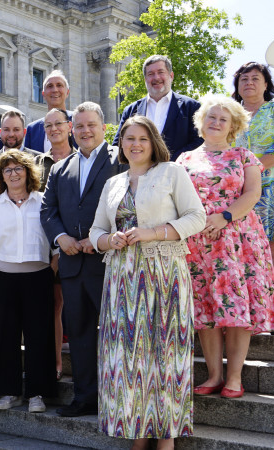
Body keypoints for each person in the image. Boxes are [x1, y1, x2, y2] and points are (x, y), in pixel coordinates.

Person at [91, 115, 205, 448]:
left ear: (153, 141)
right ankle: (137, 433)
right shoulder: (114, 183)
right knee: (129, 359)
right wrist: (109, 240)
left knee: (165, 354)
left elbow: (196, 216)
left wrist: (152, 233)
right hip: (121, 281)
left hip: (164, 276)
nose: (135, 144)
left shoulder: (172, 172)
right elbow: (96, 230)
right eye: (129, 139)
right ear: (121, 145)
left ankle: (166, 437)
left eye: (142, 138)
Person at [177, 94, 274, 400]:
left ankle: (235, 377)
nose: (215, 123)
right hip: (198, 242)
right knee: (206, 309)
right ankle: (214, 375)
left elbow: (253, 193)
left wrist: (224, 216)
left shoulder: (244, 156)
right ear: (201, 122)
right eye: (210, 117)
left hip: (237, 241)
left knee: (237, 306)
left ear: (233, 126)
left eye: (222, 119)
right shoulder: (183, 160)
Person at [40, 102, 124, 417]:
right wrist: (60, 239)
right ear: (72, 130)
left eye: (92, 125)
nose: (85, 131)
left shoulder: (121, 160)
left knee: (116, 332)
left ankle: (117, 396)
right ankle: (86, 397)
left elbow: (129, 204)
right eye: (80, 126)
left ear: (104, 128)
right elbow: (48, 210)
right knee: (79, 333)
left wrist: (98, 238)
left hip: (109, 262)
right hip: (73, 265)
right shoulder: (61, 168)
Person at [0, 149, 56, 413]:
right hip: (3, 279)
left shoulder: (43, 202)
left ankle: (37, 393)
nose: (13, 173)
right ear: (1, 176)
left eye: (19, 168)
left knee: (39, 337)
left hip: (38, 278)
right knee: (4, 336)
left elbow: (56, 242)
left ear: (29, 173)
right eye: (8, 170)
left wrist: (50, 272)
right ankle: (8, 391)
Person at [232, 62, 274, 303]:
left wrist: (250, 169)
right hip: (238, 192)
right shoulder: (230, 114)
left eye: (255, 78)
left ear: (266, 84)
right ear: (237, 86)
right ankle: (253, 307)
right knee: (244, 249)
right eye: (244, 79)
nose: (249, 82)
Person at [35, 107, 75, 380]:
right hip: (45, 241)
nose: (53, 130)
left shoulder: (82, 158)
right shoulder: (39, 162)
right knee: (52, 304)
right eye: (48, 126)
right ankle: (55, 363)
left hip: (77, 241)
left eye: (58, 124)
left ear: (69, 126)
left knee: (70, 304)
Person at [113, 55, 202, 162]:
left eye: (161, 72)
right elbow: (118, 145)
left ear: (171, 75)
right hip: (140, 175)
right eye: (150, 74)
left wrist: (170, 160)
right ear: (145, 79)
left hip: (176, 174)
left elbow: (199, 142)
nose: (156, 78)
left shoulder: (191, 107)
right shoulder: (131, 110)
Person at [24, 70, 75, 152]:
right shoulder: (33, 129)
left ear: (67, 92)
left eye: (59, 85)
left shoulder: (78, 121)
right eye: (50, 86)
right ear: (43, 94)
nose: (55, 90)